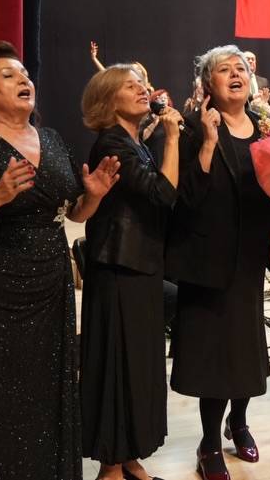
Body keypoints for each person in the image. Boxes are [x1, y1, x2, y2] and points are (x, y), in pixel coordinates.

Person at [0, 41, 120, 480]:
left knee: (46, 393)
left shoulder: (51, 139)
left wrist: (93, 197)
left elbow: (73, 213)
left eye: (25, 74)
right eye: (9, 75)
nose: (23, 80)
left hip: (50, 284)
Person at [166, 45, 270, 480]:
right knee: (213, 356)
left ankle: (239, 423)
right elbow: (183, 198)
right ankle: (209, 442)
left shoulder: (268, 129)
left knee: (245, 351)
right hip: (207, 260)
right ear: (208, 83)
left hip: (249, 258)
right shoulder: (193, 127)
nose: (235, 74)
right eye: (223, 69)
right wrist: (208, 144)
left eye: (240, 68)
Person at [79, 65, 183, 480]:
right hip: (119, 267)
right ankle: (111, 466)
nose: (143, 90)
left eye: (143, 85)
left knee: (139, 364)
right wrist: (172, 138)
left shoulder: (133, 142)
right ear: (108, 100)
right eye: (131, 86)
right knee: (117, 364)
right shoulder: (112, 143)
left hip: (140, 265)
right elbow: (163, 193)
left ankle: (130, 457)